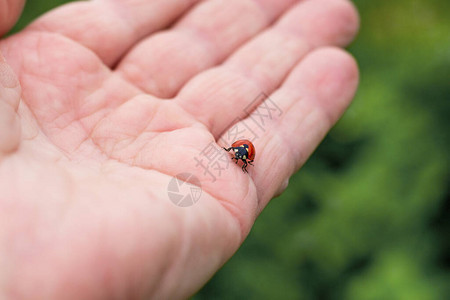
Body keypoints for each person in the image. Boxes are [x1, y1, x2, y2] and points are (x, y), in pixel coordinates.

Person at [0, 0, 359, 298]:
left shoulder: (240, 152)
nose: (235, 157)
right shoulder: (237, 151)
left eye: (238, 156)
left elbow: (242, 153)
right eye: (237, 155)